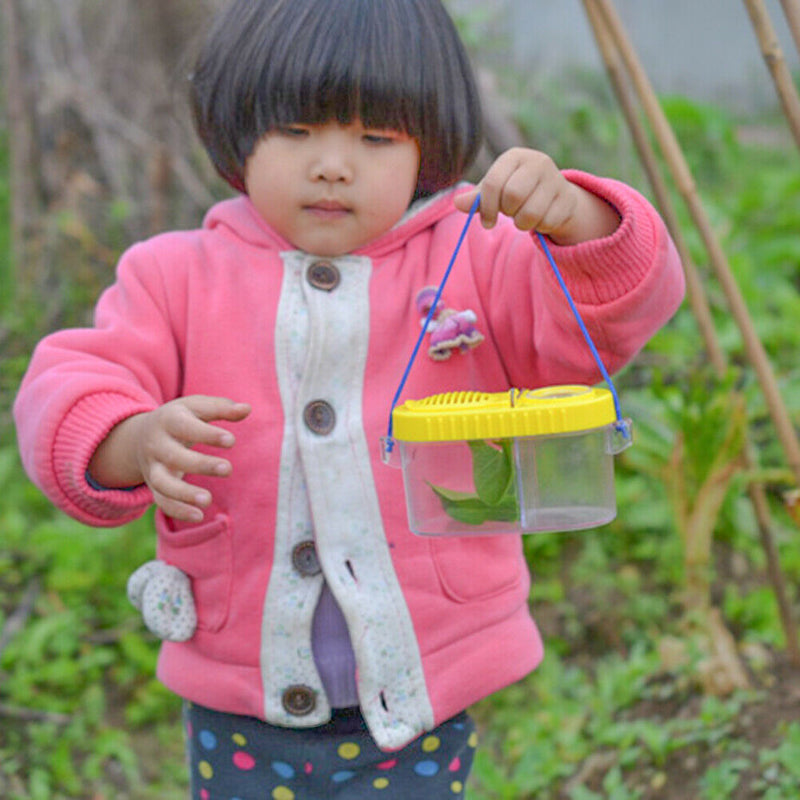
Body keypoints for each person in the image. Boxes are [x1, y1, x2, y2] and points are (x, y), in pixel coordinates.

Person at [13, 0, 685, 797]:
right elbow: (68, 384)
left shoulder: (478, 255)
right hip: (241, 695)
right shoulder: (175, 278)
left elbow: (624, 302)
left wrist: (576, 217)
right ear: (238, 133)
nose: (333, 165)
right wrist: (131, 439)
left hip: (425, 690)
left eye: (374, 138)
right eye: (296, 132)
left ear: (427, 146)